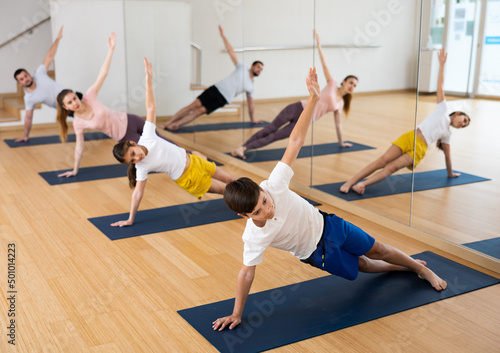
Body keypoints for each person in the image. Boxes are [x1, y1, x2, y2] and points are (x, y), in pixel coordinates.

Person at [212, 68, 446, 331]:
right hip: (316, 253)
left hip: (330, 226)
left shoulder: (274, 184)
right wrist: (236, 313)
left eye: (264, 201)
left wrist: (313, 99)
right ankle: (402, 268)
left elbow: (295, 140)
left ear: (262, 189)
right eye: (257, 212)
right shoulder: (253, 238)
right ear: (244, 216)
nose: (267, 209)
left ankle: (421, 269)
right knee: (362, 265)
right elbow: (246, 273)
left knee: (377, 249)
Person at [110, 58, 235, 227]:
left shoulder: (147, 135)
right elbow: (137, 194)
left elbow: (150, 107)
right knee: (224, 190)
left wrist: (148, 80)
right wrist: (130, 219)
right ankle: (250, 204)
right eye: (131, 161)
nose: (136, 159)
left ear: (133, 143)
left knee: (229, 178)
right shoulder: (142, 168)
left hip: (195, 161)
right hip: (188, 178)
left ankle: (257, 192)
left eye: (133, 154)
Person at [340, 48, 470, 195]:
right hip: (410, 137)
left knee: (391, 168)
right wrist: (441, 64)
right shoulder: (443, 109)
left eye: (464, 125)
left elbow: (448, 156)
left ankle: (363, 184)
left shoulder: (447, 134)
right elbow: (440, 86)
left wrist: (450, 173)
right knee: (382, 161)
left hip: (419, 149)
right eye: (464, 120)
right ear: (458, 113)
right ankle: (350, 182)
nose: (462, 123)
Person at [56, 33, 184, 178]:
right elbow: (80, 147)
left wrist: (111, 50)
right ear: (66, 108)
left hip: (131, 119)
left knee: (161, 139)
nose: (75, 103)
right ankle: (179, 168)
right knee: (155, 151)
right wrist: (75, 169)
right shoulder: (78, 123)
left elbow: (102, 74)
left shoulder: (89, 96)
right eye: (70, 103)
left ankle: (189, 157)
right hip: (125, 135)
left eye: (74, 98)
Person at [231, 31, 357, 160]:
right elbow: (324, 64)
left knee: (276, 136)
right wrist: (319, 45)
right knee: (270, 129)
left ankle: (243, 148)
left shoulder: (340, 104)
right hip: (297, 108)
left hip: (306, 120)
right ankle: (242, 147)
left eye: (355, 85)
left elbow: (338, 125)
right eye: (351, 82)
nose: (352, 86)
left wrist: (341, 142)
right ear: (344, 82)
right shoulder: (332, 83)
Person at [163, 25, 264, 131]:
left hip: (223, 99)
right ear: (252, 66)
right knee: (192, 106)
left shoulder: (251, 86)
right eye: (258, 67)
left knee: (199, 112)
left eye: (261, 69)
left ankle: (176, 124)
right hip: (216, 89)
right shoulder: (242, 67)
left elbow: (250, 104)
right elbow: (231, 52)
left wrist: (253, 120)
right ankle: (167, 123)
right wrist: (223, 36)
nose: (259, 70)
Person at [13, 26, 67, 142]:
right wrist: (25, 135)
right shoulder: (29, 98)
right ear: (19, 83)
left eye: (26, 76)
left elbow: (49, 56)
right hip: (63, 108)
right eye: (22, 79)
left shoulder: (40, 73)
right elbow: (28, 118)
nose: (25, 79)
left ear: (29, 74)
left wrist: (58, 38)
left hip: (71, 97)